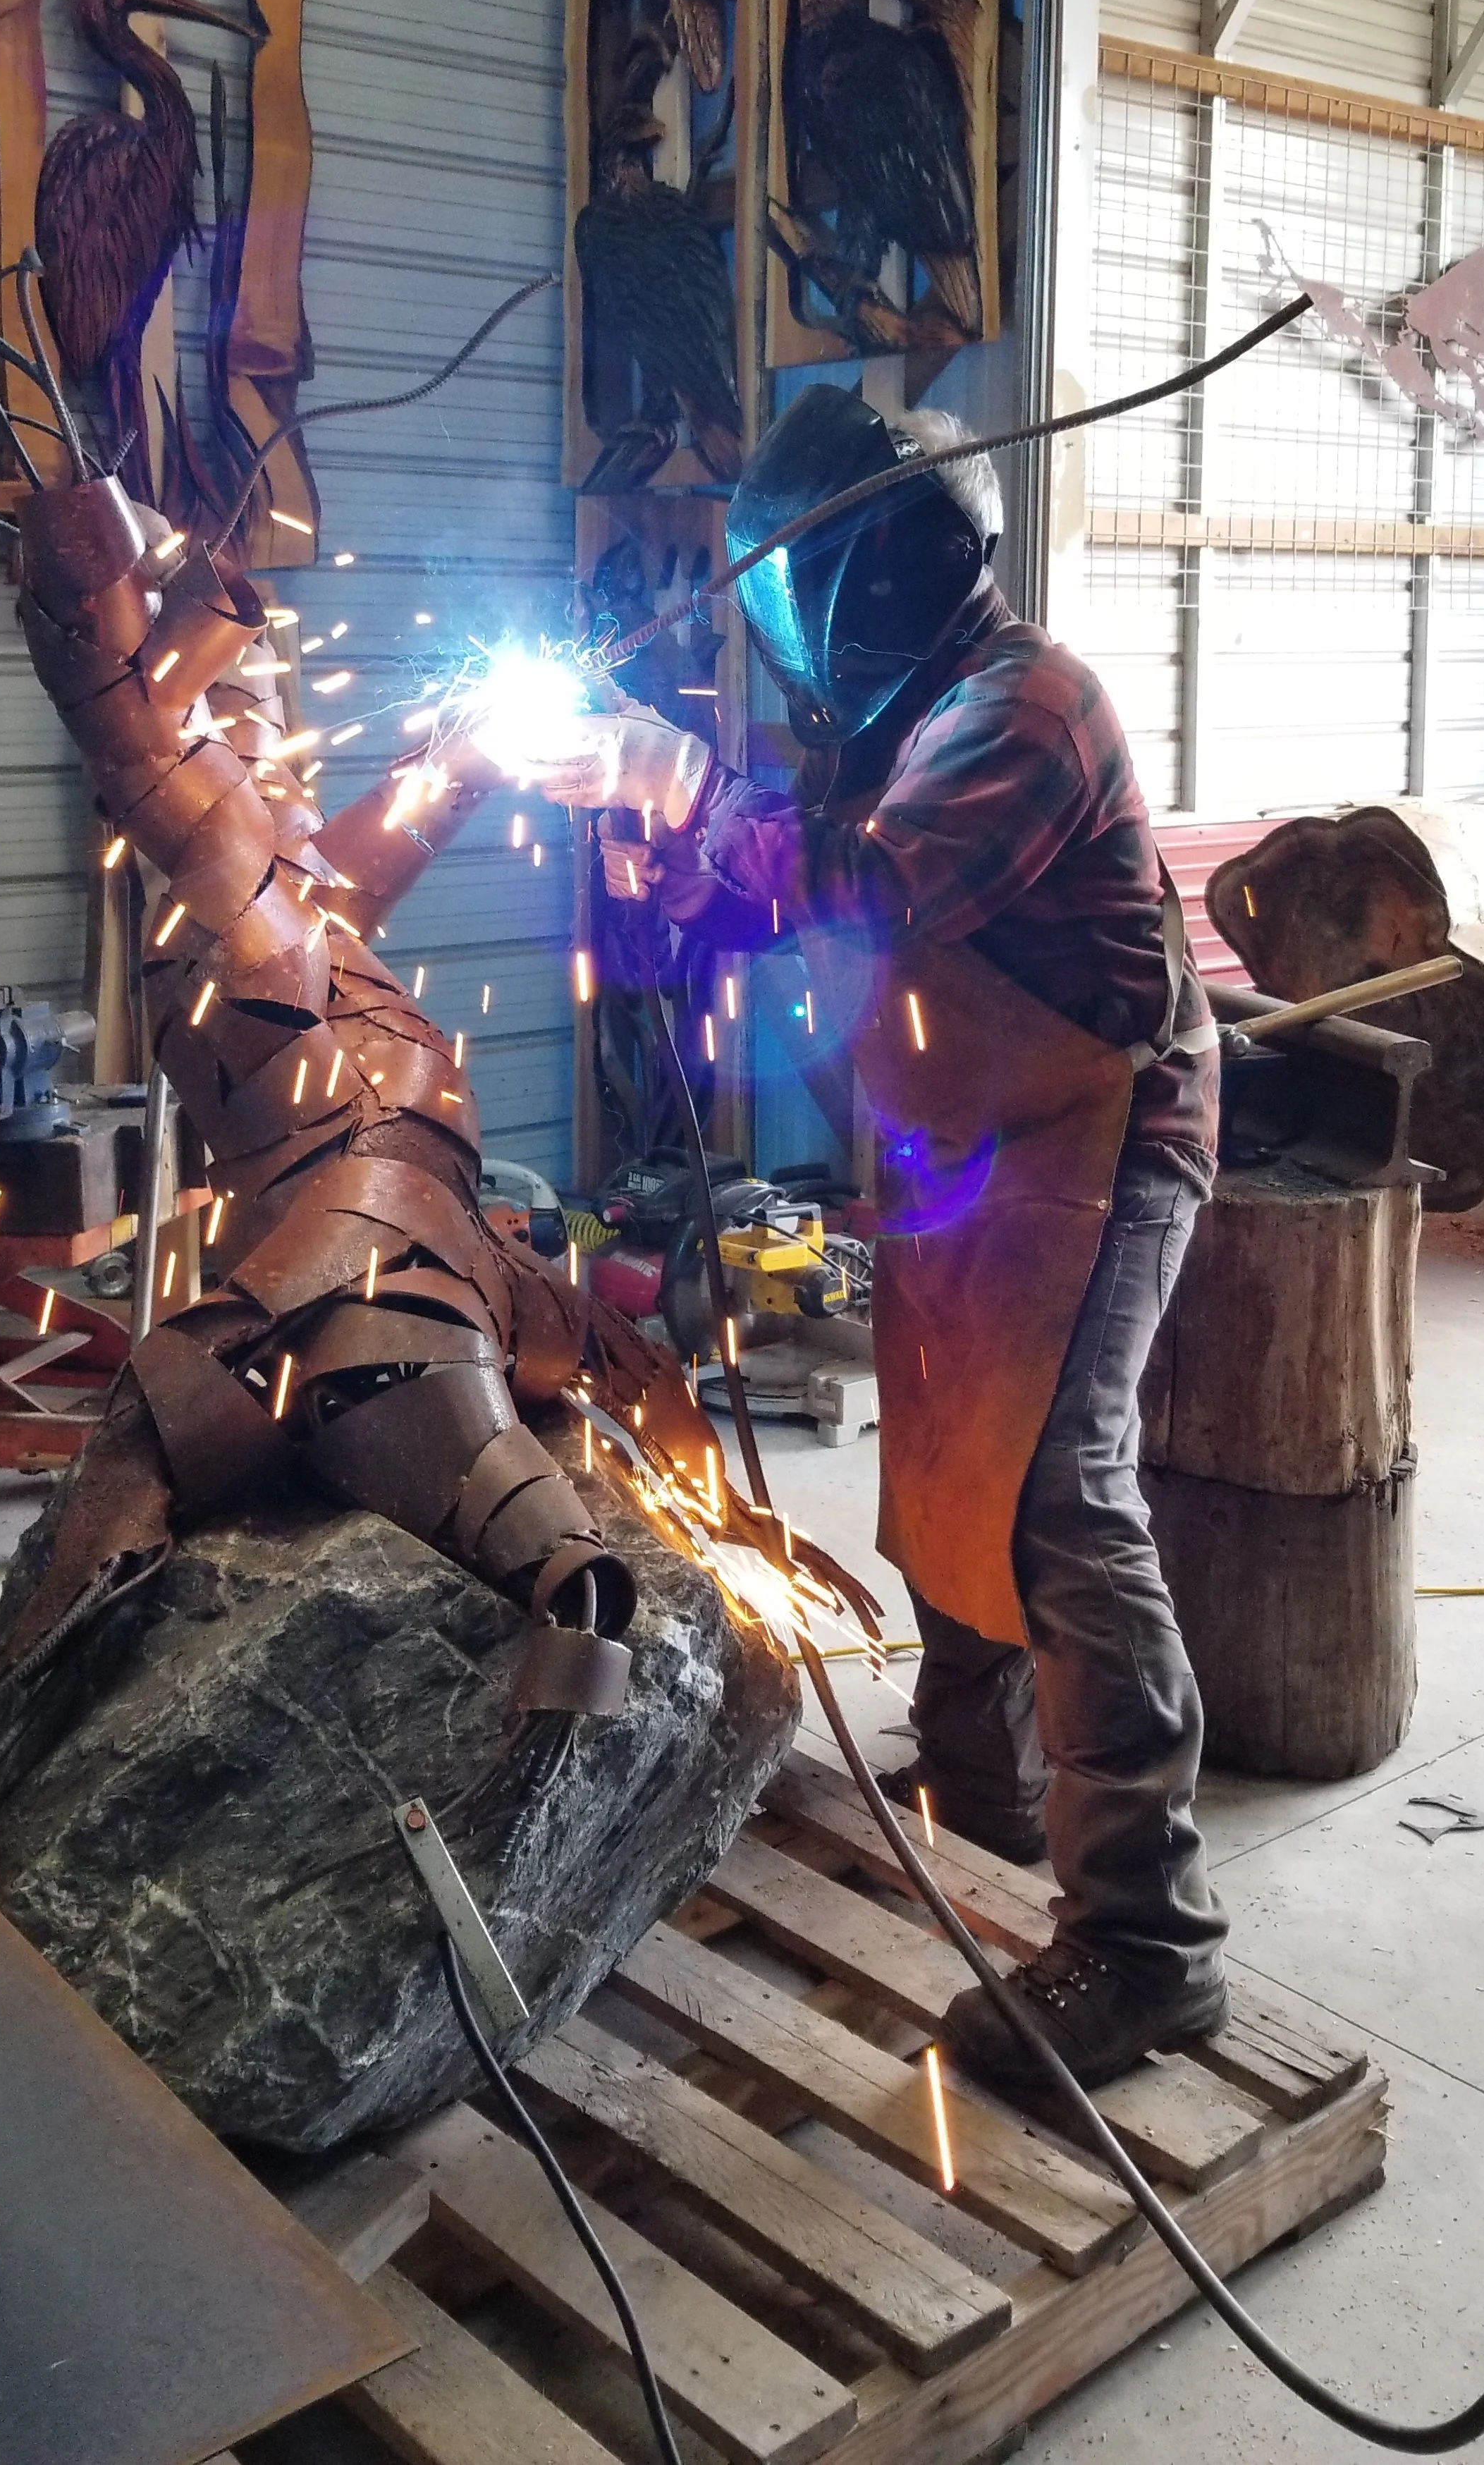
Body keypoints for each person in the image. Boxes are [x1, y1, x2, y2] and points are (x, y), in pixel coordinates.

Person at [513, 384, 1229, 2105]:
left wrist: (678, 782)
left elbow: (872, 893)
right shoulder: (902, 704)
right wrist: (663, 852)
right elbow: (768, 892)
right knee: (945, 1465)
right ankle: (979, 1794)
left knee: (1060, 1491)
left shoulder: (1025, 705)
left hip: (1097, 1134)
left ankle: (1147, 1942)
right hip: (963, 1129)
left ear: (878, 568)